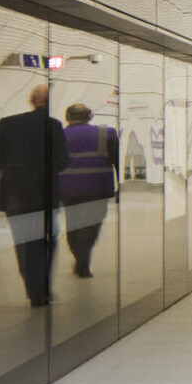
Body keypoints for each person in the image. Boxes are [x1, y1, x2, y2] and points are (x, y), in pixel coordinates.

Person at [0, 84, 66, 307]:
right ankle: (44, 287)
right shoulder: (54, 126)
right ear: (48, 102)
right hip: (45, 194)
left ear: (32, 100)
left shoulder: (7, 124)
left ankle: (33, 290)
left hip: (16, 196)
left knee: (24, 243)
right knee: (47, 242)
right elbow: (63, 161)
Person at [60, 102, 119, 280]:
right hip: (97, 188)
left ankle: (80, 259)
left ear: (67, 117)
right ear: (89, 117)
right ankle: (83, 261)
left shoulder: (59, 136)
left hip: (67, 190)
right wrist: (120, 187)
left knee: (73, 226)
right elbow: (117, 161)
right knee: (91, 226)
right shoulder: (106, 134)